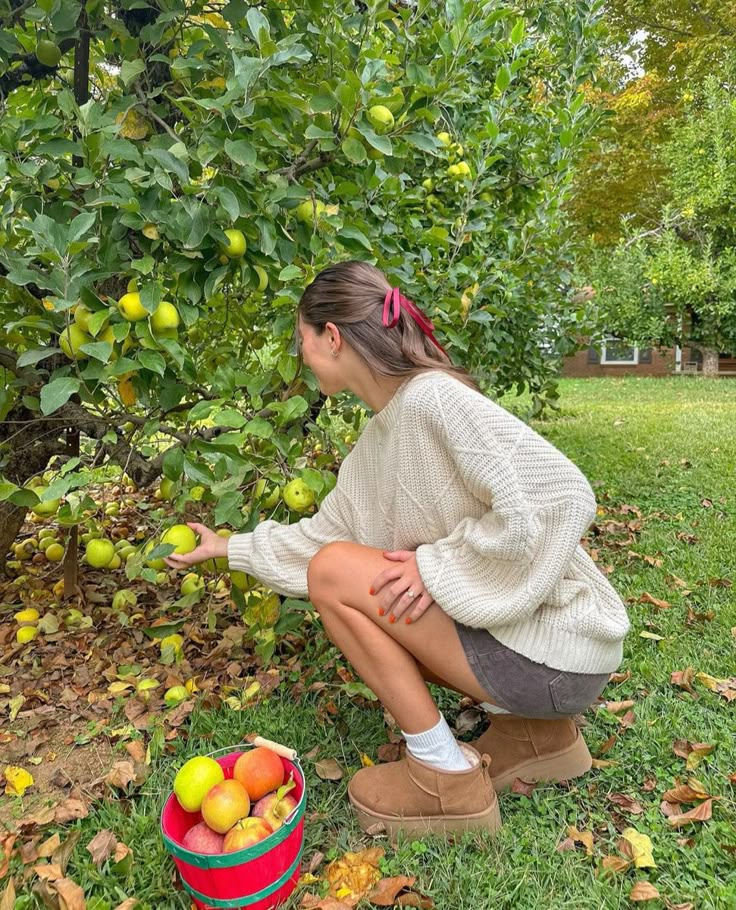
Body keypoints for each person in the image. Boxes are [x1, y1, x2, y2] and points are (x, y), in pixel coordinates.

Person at [165, 260, 630, 840]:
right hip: (548, 667)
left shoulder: (432, 399)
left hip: (557, 653)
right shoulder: (380, 440)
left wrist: (436, 567)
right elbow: (319, 538)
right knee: (337, 564)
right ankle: (540, 738)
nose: (301, 356)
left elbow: (559, 493)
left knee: (337, 574)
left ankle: (443, 773)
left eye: (301, 340)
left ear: (331, 337)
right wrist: (226, 547)